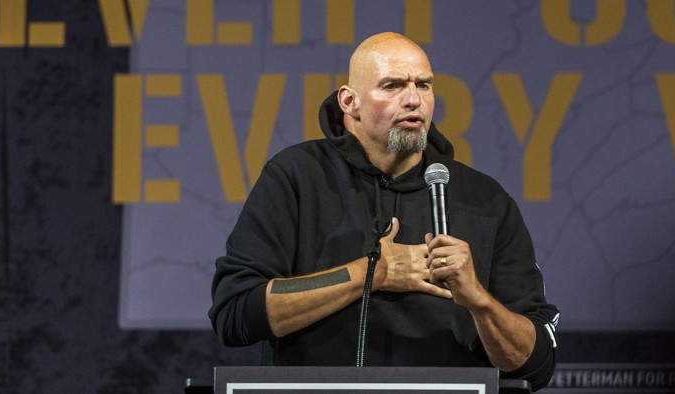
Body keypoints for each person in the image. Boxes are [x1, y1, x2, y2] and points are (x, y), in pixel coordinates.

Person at [209, 32, 560, 391]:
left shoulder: (485, 201)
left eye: (423, 85)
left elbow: (536, 366)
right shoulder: (296, 177)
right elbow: (236, 312)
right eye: (392, 86)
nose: (413, 100)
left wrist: (479, 301)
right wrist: (371, 273)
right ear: (350, 101)